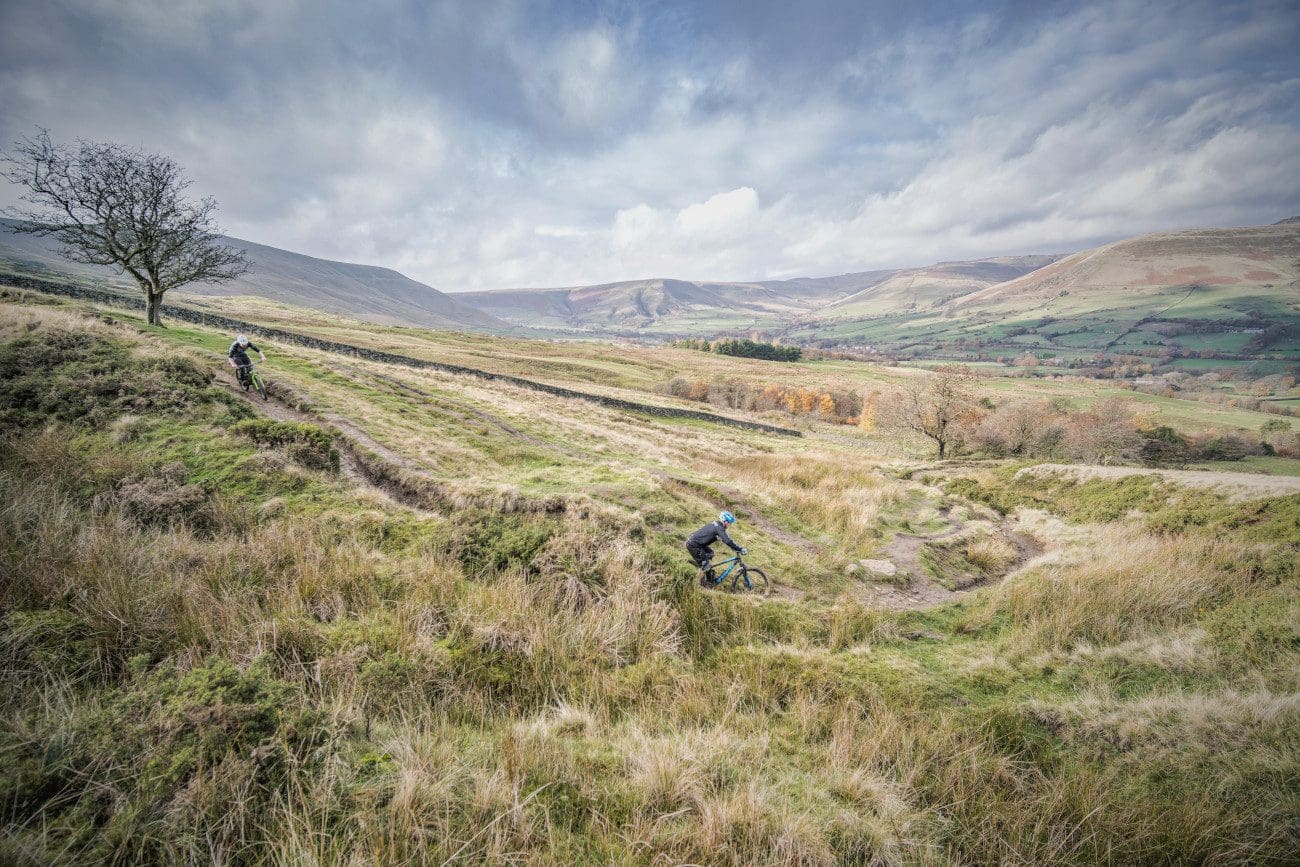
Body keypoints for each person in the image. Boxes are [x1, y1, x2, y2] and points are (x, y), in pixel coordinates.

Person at [687, 511, 746, 588]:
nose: (729, 525)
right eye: (729, 523)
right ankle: (708, 585)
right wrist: (739, 549)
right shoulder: (719, 528)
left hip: (697, 544)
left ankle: (704, 567)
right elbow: (727, 541)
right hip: (694, 546)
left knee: (711, 553)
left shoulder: (717, 524)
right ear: (725, 521)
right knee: (707, 566)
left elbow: (725, 538)